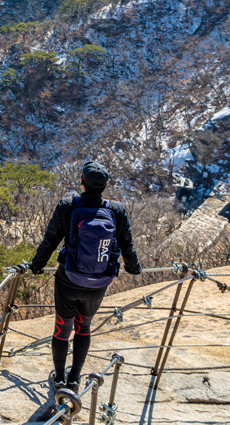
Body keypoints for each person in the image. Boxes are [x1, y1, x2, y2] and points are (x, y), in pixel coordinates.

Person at [29, 161, 141, 394]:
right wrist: (134, 268)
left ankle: (59, 379)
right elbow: (127, 244)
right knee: (84, 328)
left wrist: (37, 265)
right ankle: (75, 379)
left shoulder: (68, 206)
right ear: (105, 185)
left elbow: (50, 240)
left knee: (62, 328)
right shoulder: (117, 210)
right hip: (99, 281)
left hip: (69, 279)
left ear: (82, 181)